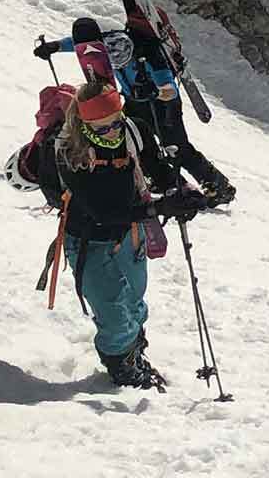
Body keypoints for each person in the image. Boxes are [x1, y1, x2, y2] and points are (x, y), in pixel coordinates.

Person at [34, 0, 234, 208]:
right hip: (134, 102)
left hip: (163, 105)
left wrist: (165, 103)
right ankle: (167, 183)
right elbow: (81, 44)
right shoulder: (111, 42)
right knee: (139, 144)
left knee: (178, 148)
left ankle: (219, 187)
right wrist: (54, 47)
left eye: (123, 60)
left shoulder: (150, 55)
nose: (118, 63)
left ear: (132, 52)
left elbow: (168, 87)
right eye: (114, 60)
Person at [52, 83, 200, 389]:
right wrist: (156, 208)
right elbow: (101, 210)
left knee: (134, 304)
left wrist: (179, 191)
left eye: (116, 121)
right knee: (114, 315)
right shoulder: (68, 150)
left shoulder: (133, 131)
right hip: (88, 241)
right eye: (102, 128)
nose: (113, 132)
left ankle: (134, 354)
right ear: (83, 124)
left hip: (129, 236)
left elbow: (156, 168)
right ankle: (123, 370)